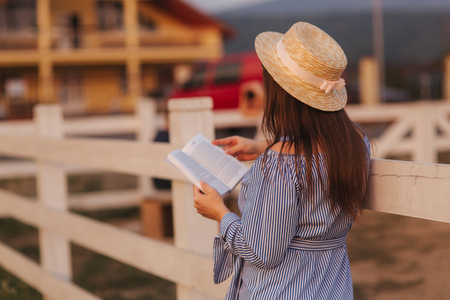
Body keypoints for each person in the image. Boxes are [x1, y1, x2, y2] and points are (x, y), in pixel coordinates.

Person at [193, 22, 371, 299]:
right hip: (333, 287)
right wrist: (264, 146)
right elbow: (317, 152)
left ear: (279, 91)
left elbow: (260, 252)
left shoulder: (278, 165)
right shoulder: (357, 143)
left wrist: (219, 212)